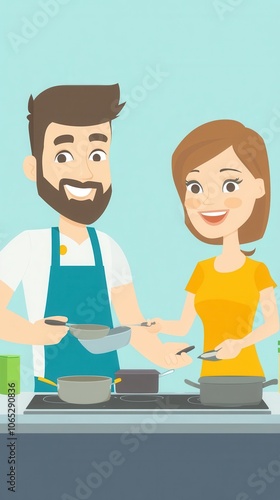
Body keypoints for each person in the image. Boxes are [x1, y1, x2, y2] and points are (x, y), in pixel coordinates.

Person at [0, 85, 191, 391]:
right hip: (52, 391)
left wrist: (162, 354)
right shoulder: (29, 245)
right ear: (33, 168)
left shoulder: (109, 248)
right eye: (63, 155)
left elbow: (131, 325)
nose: (85, 171)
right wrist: (33, 334)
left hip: (108, 391)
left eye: (98, 154)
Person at [149, 120, 279, 377]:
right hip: (208, 377)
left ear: (258, 187)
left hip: (247, 377)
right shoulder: (202, 270)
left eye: (229, 184)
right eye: (195, 187)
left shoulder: (257, 271)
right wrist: (159, 326)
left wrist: (239, 344)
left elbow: (273, 322)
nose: (208, 199)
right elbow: (184, 326)